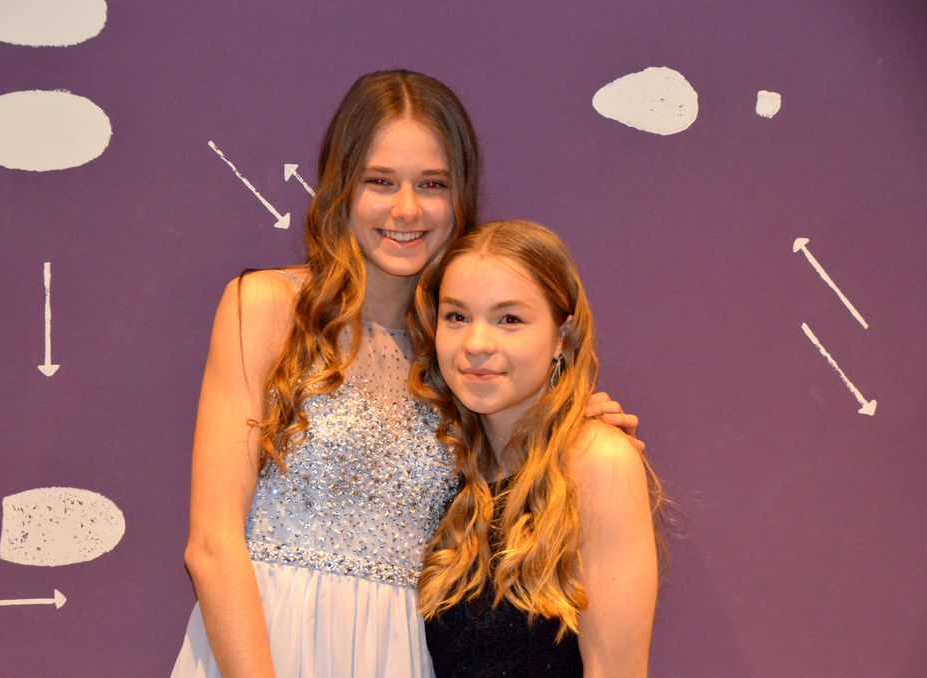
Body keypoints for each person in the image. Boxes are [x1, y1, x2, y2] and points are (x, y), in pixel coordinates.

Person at [171, 72, 641, 678]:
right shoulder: (268, 307)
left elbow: (518, 462)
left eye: (432, 184)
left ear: (460, 195)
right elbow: (211, 546)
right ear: (341, 186)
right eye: (381, 181)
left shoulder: (456, 354)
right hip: (265, 643)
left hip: (403, 653)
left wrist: (577, 426)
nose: (407, 209)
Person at [411, 220, 666, 677]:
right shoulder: (446, 471)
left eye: (510, 319)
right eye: (457, 317)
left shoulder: (597, 461)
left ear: (562, 337)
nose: (476, 344)